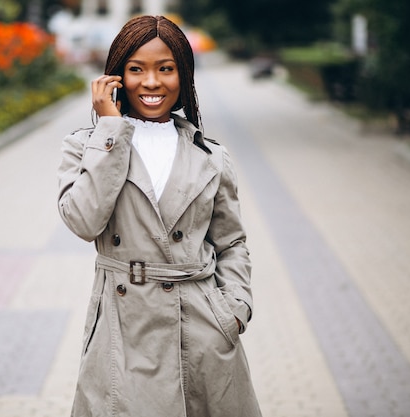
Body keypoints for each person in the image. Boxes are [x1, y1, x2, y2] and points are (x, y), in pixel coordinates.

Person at [57, 15, 262, 417]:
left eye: (165, 69)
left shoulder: (211, 156)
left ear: (183, 75)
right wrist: (111, 129)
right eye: (136, 69)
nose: (151, 83)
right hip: (122, 326)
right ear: (116, 76)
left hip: (202, 328)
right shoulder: (87, 146)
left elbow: (232, 242)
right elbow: (83, 222)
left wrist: (235, 310)